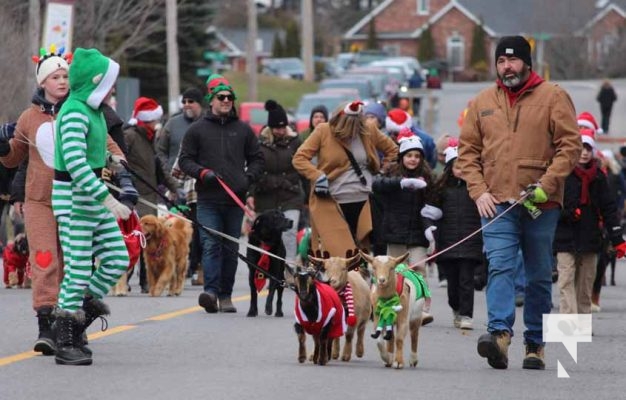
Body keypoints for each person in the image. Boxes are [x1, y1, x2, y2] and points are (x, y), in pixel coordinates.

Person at [457, 36, 582, 371]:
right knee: (499, 265)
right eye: (501, 62)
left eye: (512, 61)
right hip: (495, 202)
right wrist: (478, 190)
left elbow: (570, 146)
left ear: (527, 63)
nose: (506, 67)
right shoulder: (482, 101)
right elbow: (466, 152)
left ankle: (535, 343)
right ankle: (498, 335)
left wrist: (548, 184)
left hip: (540, 204)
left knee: (539, 275)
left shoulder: (554, 97)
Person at [52, 48, 131, 366]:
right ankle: (65, 339)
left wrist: (110, 158)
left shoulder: (93, 111)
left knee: (117, 259)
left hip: (92, 196)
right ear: (95, 82)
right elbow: (74, 162)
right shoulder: (73, 111)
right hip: (75, 199)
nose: (112, 89)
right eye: (109, 83)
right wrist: (108, 199)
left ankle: (75, 318)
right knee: (79, 270)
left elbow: (91, 149)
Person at [178, 74, 264, 314]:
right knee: (210, 244)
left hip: (234, 201)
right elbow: (185, 160)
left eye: (230, 97)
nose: (226, 101)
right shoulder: (197, 130)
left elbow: (257, 159)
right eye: (221, 97)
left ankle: (226, 295)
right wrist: (202, 173)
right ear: (211, 100)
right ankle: (211, 292)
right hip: (208, 199)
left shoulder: (243, 130)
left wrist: (248, 179)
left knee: (230, 248)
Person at [292, 101, 397, 258]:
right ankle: (342, 281)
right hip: (333, 200)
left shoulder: (368, 130)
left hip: (364, 200)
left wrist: (382, 171)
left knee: (363, 250)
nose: (353, 130)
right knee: (341, 252)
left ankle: (360, 281)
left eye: (357, 125)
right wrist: (317, 175)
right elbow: (299, 158)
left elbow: (393, 150)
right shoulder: (323, 131)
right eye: (350, 125)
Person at [554, 129, 626, 318]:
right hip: (565, 237)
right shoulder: (562, 174)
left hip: (591, 239)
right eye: (581, 148)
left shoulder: (599, 178)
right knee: (566, 281)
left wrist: (618, 239)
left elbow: (609, 209)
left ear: (593, 151)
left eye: (588, 148)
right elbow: (551, 203)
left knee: (585, 286)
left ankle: (581, 321)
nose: (584, 152)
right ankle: (568, 322)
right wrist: (567, 213)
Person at [371, 131, 435, 324]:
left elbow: (431, 205)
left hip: (418, 234)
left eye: (416, 156)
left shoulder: (428, 177)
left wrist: (430, 228)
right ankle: (391, 305)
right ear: (402, 157)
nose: (413, 159)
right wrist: (401, 183)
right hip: (394, 232)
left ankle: (419, 309)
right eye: (409, 155)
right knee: (395, 272)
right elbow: (377, 185)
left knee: (418, 270)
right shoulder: (391, 175)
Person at [123, 97, 179, 292]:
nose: (158, 124)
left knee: (150, 243)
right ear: (147, 120)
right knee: (132, 240)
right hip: (133, 196)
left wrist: (174, 187)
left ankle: (147, 281)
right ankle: (124, 279)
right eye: (155, 120)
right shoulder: (130, 136)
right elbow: (118, 161)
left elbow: (160, 168)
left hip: (150, 196)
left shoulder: (151, 139)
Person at [429, 145, 482, 330]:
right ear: (450, 169)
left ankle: (467, 315)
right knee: (453, 284)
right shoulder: (441, 190)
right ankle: (456, 308)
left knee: (467, 281)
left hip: (470, 243)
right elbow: (433, 214)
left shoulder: (477, 190)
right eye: (457, 167)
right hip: (448, 244)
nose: (461, 171)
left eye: (465, 168)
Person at [246, 100, 304, 263]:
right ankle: (266, 265)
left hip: (290, 195)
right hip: (266, 197)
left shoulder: (295, 142)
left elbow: (303, 168)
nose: (280, 131)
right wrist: (250, 193)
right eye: (277, 128)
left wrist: (308, 196)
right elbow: (253, 169)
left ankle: (289, 266)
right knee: (266, 233)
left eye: (283, 127)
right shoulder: (259, 144)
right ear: (270, 128)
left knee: (289, 231)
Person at [157, 87, 204, 172]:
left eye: (190, 101)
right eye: (184, 102)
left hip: (201, 177)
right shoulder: (172, 123)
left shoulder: (208, 123)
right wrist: (167, 168)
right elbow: (161, 151)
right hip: (175, 178)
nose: (186, 104)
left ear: (199, 104)